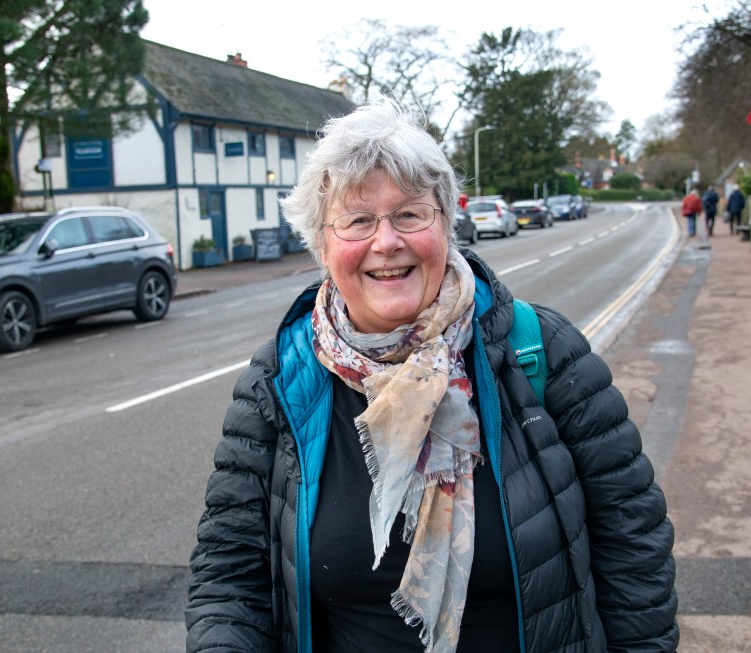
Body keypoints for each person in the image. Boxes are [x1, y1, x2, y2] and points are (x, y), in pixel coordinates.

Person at [185, 99, 679, 653]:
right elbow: (229, 573)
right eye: (357, 220)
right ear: (322, 245)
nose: (386, 241)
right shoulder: (279, 377)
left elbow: (633, 543)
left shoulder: (542, 350)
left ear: (446, 223)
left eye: (410, 214)